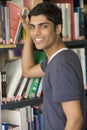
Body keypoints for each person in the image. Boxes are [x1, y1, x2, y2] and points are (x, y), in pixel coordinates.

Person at [19, 2, 86, 130]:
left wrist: (31, 30)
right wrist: (28, 31)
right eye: (33, 27)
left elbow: (76, 120)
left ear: (58, 29)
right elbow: (27, 71)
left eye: (43, 26)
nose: (36, 32)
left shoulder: (61, 65)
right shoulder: (60, 59)